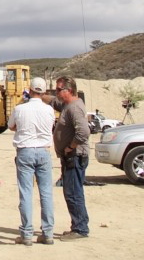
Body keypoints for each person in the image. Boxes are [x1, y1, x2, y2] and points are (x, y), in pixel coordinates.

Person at [9, 78, 55, 246]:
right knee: (46, 193)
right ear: (44, 92)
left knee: (26, 192)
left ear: (29, 90)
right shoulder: (49, 110)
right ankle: (48, 233)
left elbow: (11, 126)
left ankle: (27, 233)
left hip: (25, 151)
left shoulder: (20, 108)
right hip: (43, 151)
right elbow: (50, 127)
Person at [54, 77, 91, 240]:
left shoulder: (74, 108)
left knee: (73, 193)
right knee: (73, 191)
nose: (56, 93)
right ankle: (78, 226)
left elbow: (83, 132)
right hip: (72, 157)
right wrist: (40, 96)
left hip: (74, 157)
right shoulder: (68, 105)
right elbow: (55, 103)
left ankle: (80, 229)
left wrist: (70, 147)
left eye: (58, 90)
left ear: (68, 91)